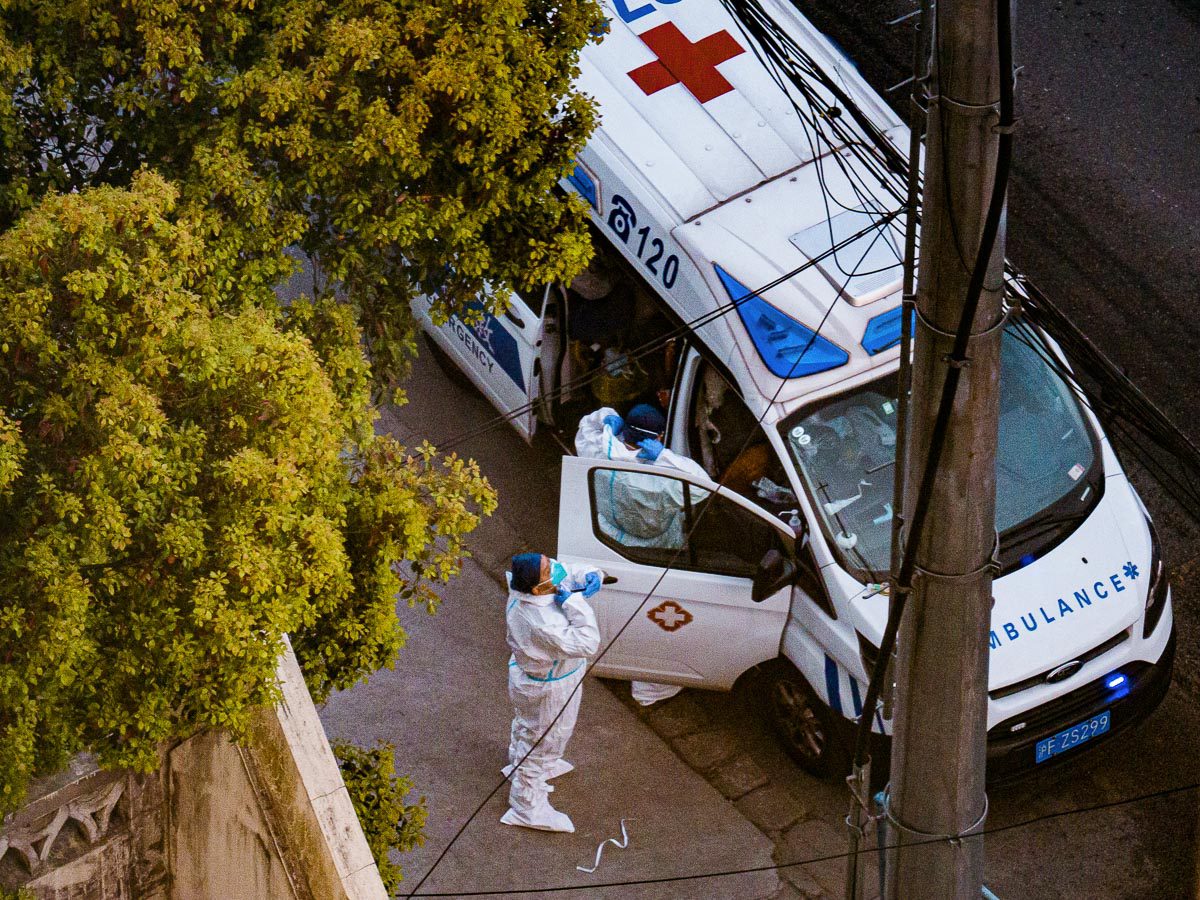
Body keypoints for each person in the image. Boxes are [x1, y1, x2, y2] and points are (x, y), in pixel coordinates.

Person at [574, 404, 704, 707]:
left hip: (606, 539)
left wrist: (606, 419)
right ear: (658, 436)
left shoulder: (597, 450)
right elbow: (702, 486)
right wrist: (665, 457)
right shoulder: (659, 479)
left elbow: (587, 423)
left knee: (608, 607)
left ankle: (601, 656)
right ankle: (647, 686)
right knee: (654, 619)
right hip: (652, 553)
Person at [501, 552, 604, 833]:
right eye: (549, 569)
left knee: (529, 728)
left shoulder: (527, 589)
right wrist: (574, 603)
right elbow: (587, 641)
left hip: (536, 676)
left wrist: (588, 576)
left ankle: (519, 763)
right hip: (550, 686)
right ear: (537, 588)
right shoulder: (541, 621)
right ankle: (527, 806)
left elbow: (567, 571)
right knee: (544, 740)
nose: (555, 569)